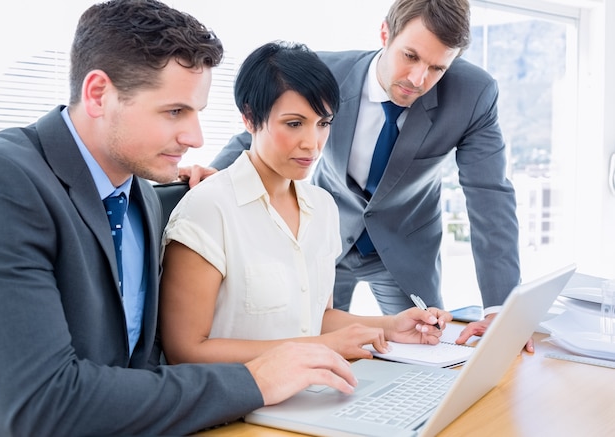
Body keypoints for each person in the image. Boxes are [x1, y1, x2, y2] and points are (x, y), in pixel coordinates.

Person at [0, 2, 358, 436]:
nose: (196, 137)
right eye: (174, 112)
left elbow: (138, 364)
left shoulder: (141, 195)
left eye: (197, 112)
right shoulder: (7, 181)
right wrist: (257, 380)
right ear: (98, 94)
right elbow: (41, 403)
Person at [184, 0, 527, 350]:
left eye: (437, 67)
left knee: (422, 346)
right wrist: (218, 172)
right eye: (410, 56)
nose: (418, 79)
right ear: (385, 34)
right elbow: (261, 128)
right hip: (320, 236)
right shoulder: (326, 72)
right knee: (314, 341)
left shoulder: (473, 94)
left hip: (403, 244)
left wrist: (502, 308)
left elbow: (490, 195)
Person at [160, 41, 451, 365]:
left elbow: (315, 318)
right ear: (250, 118)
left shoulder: (322, 207)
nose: (312, 144)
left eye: (323, 123)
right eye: (294, 123)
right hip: (239, 404)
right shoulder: (209, 208)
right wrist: (320, 348)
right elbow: (185, 350)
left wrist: (390, 326)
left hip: (309, 391)